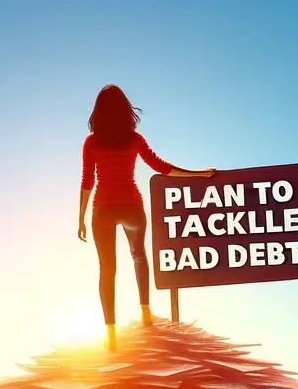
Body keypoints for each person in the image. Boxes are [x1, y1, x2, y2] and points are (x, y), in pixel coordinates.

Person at [77, 85, 214, 347]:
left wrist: (80, 218)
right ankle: (146, 313)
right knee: (138, 255)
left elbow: (87, 181)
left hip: (103, 209)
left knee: (107, 269)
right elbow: (162, 167)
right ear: (125, 111)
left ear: (98, 112)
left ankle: (110, 334)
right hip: (132, 206)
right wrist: (199, 173)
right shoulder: (135, 140)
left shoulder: (91, 142)